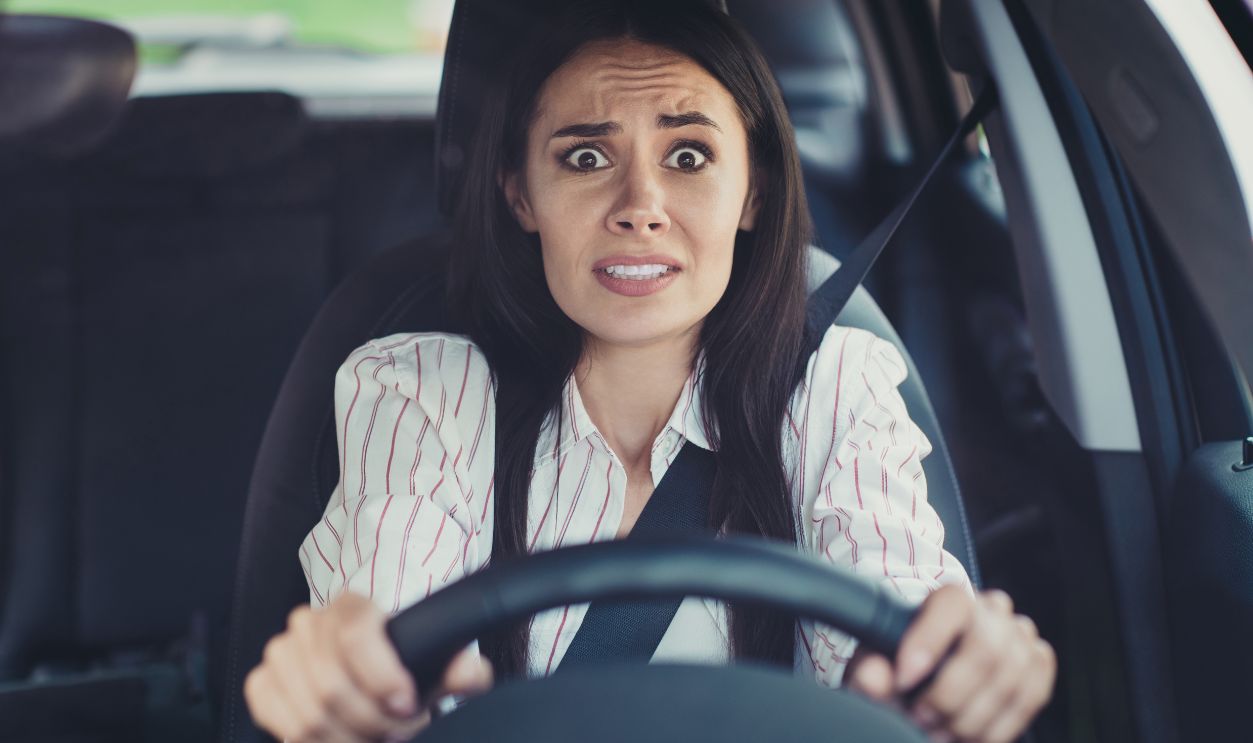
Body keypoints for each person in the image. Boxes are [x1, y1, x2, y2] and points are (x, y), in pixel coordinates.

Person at [243, 1, 1056, 741]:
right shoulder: (423, 391)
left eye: (689, 155)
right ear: (520, 195)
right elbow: (381, 637)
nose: (639, 205)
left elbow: (898, 613)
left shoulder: (836, 387)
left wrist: (953, 670)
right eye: (586, 156)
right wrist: (347, 683)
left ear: (753, 192)